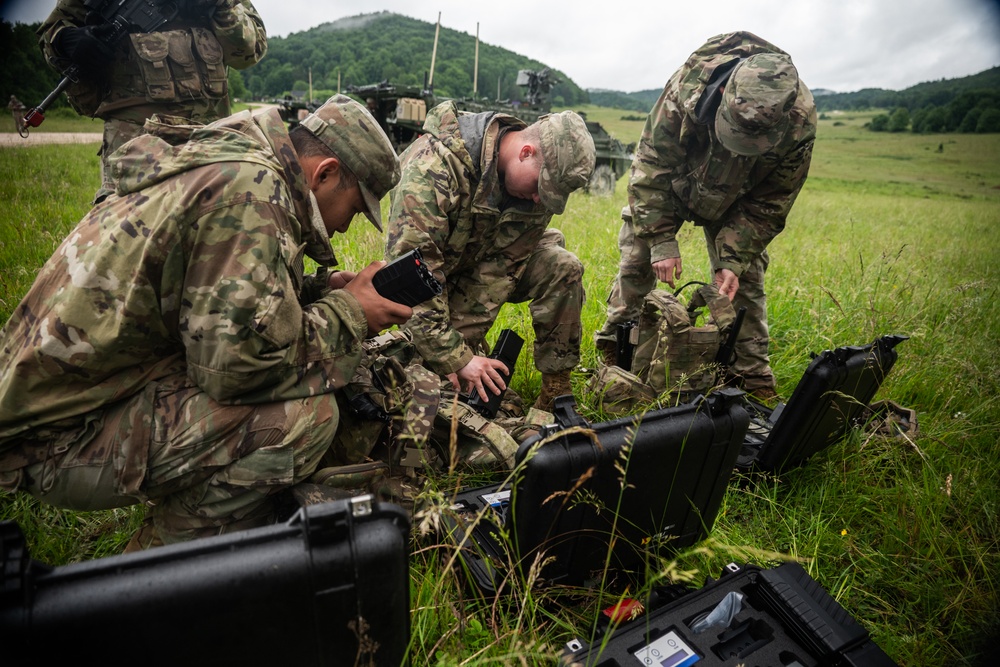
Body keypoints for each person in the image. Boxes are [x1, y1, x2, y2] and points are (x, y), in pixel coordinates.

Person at [0, 95, 410, 547]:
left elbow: (209, 306)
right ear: (326, 172)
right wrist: (352, 312)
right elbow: (236, 372)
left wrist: (322, 291)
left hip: (52, 400)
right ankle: (166, 564)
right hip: (54, 438)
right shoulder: (252, 191)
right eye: (354, 209)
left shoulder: (232, 164)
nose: (347, 228)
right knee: (305, 416)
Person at [594, 31, 817, 400]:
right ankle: (616, 353)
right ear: (725, 95)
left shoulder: (798, 124)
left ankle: (750, 376)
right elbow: (650, 166)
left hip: (739, 200)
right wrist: (662, 240)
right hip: (675, 184)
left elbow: (772, 202)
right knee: (637, 260)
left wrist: (732, 259)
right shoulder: (687, 90)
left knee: (743, 282)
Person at [385, 101, 596, 411]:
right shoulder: (434, 168)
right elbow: (413, 274)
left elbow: (497, 274)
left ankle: (556, 391)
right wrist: (456, 357)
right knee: (429, 383)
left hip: (478, 264)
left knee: (563, 267)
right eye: (541, 186)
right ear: (526, 152)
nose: (540, 199)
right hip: (430, 275)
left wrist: (465, 354)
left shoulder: (533, 196)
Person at [38, 0, 268, 202]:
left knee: (217, 231)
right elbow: (53, 30)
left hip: (212, 134)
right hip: (135, 143)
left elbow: (249, 51)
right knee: (127, 235)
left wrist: (221, 5)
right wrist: (66, 40)